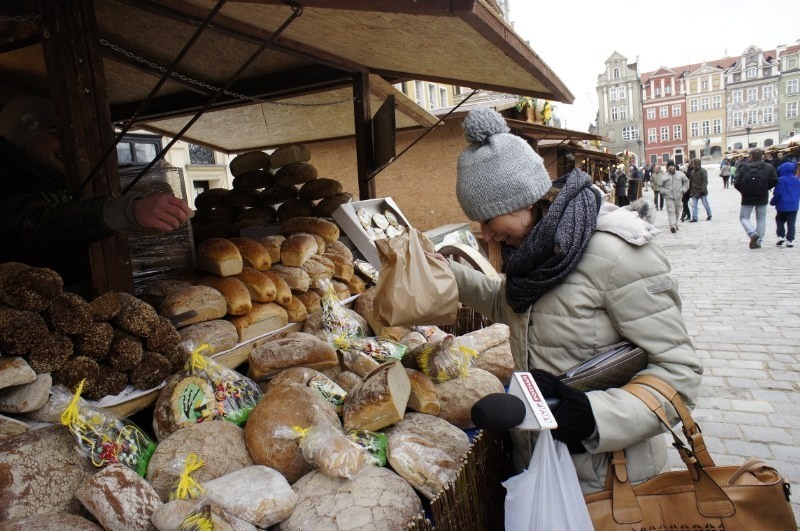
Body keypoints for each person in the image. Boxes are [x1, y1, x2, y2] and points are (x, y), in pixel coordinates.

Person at [445, 108, 701, 494]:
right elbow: (514, 310)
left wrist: (593, 417)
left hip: (610, 479)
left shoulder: (618, 256)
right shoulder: (534, 258)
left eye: (489, 219)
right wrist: (449, 274)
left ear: (524, 202)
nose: (487, 235)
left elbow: (680, 374)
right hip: (542, 466)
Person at [0, 97, 191, 290]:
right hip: (28, 306)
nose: (69, 146)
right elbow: (35, 225)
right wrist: (127, 211)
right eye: (55, 135)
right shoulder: (6, 178)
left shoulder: (56, 178)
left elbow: (78, 225)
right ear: (24, 139)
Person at [734, 148, 779, 249]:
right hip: (762, 195)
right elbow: (775, 180)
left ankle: (752, 233)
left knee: (744, 217)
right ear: (762, 156)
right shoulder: (769, 167)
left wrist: (744, 191)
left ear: (751, 156)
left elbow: (736, 183)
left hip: (747, 197)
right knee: (761, 218)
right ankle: (758, 241)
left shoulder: (744, 168)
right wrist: (766, 188)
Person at [770, 161, 800, 248]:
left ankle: (780, 236)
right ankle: (790, 240)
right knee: (791, 223)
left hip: (782, 205)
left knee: (779, 220)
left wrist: (773, 202)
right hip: (793, 206)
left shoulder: (781, 180)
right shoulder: (797, 180)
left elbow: (778, 192)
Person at [659, 160, 689, 233]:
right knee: (671, 211)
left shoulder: (680, 174)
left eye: (671, 166)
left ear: (674, 166)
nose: (670, 167)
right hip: (669, 197)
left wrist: (683, 189)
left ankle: (675, 223)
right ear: (667, 167)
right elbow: (660, 186)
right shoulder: (664, 176)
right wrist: (664, 192)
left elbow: (686, 182)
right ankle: (672, 225)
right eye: (669, 166)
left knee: (677, 211)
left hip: (678, 196)